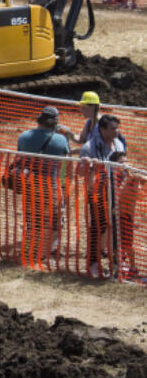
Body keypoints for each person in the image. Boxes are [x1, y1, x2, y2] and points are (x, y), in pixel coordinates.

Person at [13, 105, 71, 266]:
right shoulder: (61, 139)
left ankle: (29, 251)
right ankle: (42, 252)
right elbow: (66, 161)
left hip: (29, 183)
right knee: (55, 221)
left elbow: (20, 156)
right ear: (55, 122)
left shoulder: (24, 136)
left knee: (33, 220)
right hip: (50, 186)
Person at [79, 114, 126, 278]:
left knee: (117, 228)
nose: (116, 131)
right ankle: (93, 263)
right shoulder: (88, 147)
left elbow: (122, 167)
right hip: (98, 193)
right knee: (98, 228)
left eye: (117, 128)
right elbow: (79, 172)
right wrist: (87, 166)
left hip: (117, 191)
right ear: (102, 129)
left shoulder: (118, 143)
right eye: (113, 128)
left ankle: (117, 264)